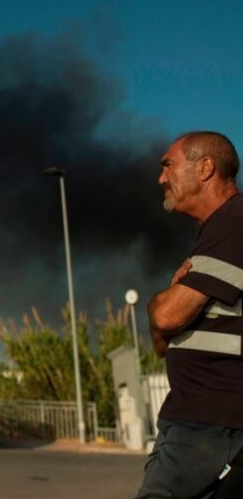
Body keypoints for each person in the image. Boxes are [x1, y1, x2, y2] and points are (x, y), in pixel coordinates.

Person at [136, 132, 243, 498]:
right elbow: (162, 345)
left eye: (168, 165)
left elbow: (166, 318)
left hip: (209, 421)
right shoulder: (216, 230)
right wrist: (164, 312)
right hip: (207, 421)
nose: (161, 178)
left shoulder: (234, 222)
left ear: (205, 168)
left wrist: (157, 303)